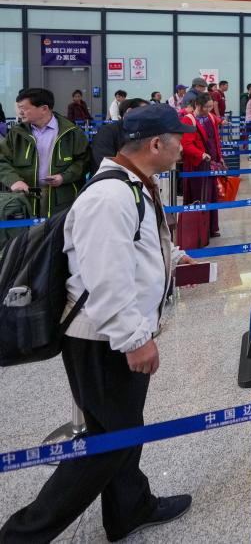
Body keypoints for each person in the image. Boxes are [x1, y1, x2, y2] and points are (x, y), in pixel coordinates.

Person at [0, 104, 196, 543]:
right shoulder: (110, 196)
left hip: (111, 333)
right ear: (156, 144)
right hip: (102, 338)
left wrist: (171, 258)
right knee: (107, 442)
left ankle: (129, 508)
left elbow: (129, 250)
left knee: (120, 428)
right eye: (178, 140)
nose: (182, 148)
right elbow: (105, 278)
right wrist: (134, 339)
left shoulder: (133, 184)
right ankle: (22, 534)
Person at [0, 88, 90, 218]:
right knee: (28, 230)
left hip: (62, 200)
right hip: (25, 198)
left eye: (24, 108)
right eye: (18, 108)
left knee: (58, 230)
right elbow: (2, 160)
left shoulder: (72, 132)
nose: (20, 112)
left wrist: (64, 177)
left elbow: (84, 161)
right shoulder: (16, 134)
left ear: (44, 109)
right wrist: (14, 181)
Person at [180, 94, 223, 238]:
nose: (210, 109)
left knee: (212, 195)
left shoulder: (210, 117)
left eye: (211, 106)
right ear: (198, 105)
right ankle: (198, 230)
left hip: (211, 163)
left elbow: (216, 139)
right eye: (207, 107)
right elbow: (186, 144)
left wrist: (220, 157)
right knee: (198, 195)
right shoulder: (188, 120)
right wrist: (200, 154)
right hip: (196, 165)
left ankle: (212, 227)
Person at [91, 98, 149, 173]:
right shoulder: (107, 131)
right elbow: (104, 161)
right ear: (129, 111)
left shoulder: (145, 132)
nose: (148, 116)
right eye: (145, 112)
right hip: (112, 177)